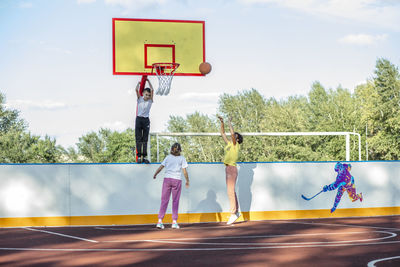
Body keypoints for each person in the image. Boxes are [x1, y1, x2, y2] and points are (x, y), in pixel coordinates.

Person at [153, 143, 189, 229]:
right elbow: (184, 171)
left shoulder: (168, 157)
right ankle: (174, 222)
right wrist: (187, 180)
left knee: (164, 200)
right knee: (175, 201)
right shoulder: (182, 158)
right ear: (180, 150)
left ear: (171, 149)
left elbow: (161, 167)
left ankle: (160, 221)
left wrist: (155, 174)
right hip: (177, 180)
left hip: (167, 180)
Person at [218, 115, 243, 225]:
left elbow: (232, 134)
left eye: (235, 136)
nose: (233, 136)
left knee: (230, 192)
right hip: (227, 168)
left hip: (232, 168)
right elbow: (223, 134)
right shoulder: (229, 144)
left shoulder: (235, 145)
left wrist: (229, 122)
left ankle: (233, 213)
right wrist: (222, 122)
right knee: (231, 191)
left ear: (237, 139)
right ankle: (235, 212)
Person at [135, 79, 154, 164]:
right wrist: (138, 83)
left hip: (146, 120)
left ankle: (144, 156)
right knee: (139, 138)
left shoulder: (150, 100)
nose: (147, 96)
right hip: (139, 119)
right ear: (143, 94)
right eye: (146, 95)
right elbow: (136, 89)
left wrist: (148, 81)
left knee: (145, 139)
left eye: (149, 95)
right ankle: (139, 156)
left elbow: (152, 89)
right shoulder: (140, 99)